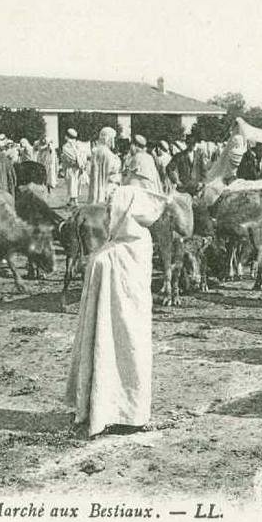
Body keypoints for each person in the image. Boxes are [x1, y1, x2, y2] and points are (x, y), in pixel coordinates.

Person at [65, 177, 173, 438]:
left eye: (113, 210)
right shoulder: (142, 241)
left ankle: (107, 409)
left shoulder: (107, 255)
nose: (109, 215)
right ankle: (133, 411)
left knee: (108, 354)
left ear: (123, 212)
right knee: (132, 355)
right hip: (135, 322)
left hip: (112, 322)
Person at [88, 127, 122, 204]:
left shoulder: (97, 151)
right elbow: (112, 169)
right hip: (108, 185)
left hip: (99, 184)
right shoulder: (107, 153)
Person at [60, 128, 86, 206]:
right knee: (75, 183)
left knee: (72, 183)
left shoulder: (66, 146)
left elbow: (70, 157)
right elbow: (83, 155)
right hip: (79, 167)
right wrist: (82, 164)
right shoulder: (79, 144)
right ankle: (72, 200)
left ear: (67, 136)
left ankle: (74, 201)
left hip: (71, 167)